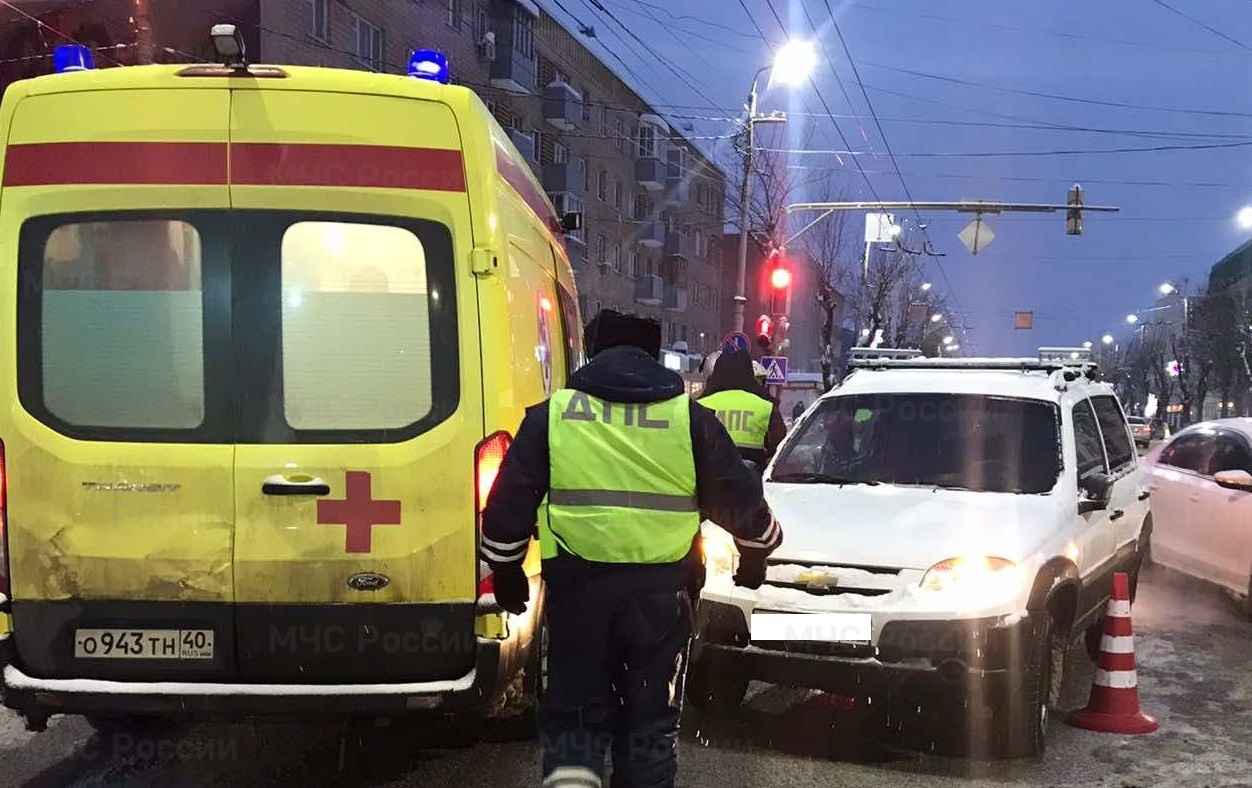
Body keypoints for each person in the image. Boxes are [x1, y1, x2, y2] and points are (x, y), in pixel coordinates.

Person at [480, 310, 781, 788]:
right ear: (652, 356)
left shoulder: (552, 415)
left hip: (578, 596)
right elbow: (741, 499)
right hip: (660, 601)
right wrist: (757, 554)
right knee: (648, 728)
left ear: (594, 352)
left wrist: (506, 568)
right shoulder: (688, 419)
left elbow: (508, 502)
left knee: (575, 720)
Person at [696, 349, 786, 470]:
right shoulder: (766, 406)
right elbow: (779, 446)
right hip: (751, 475)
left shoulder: (699, 405)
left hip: (708, 476)